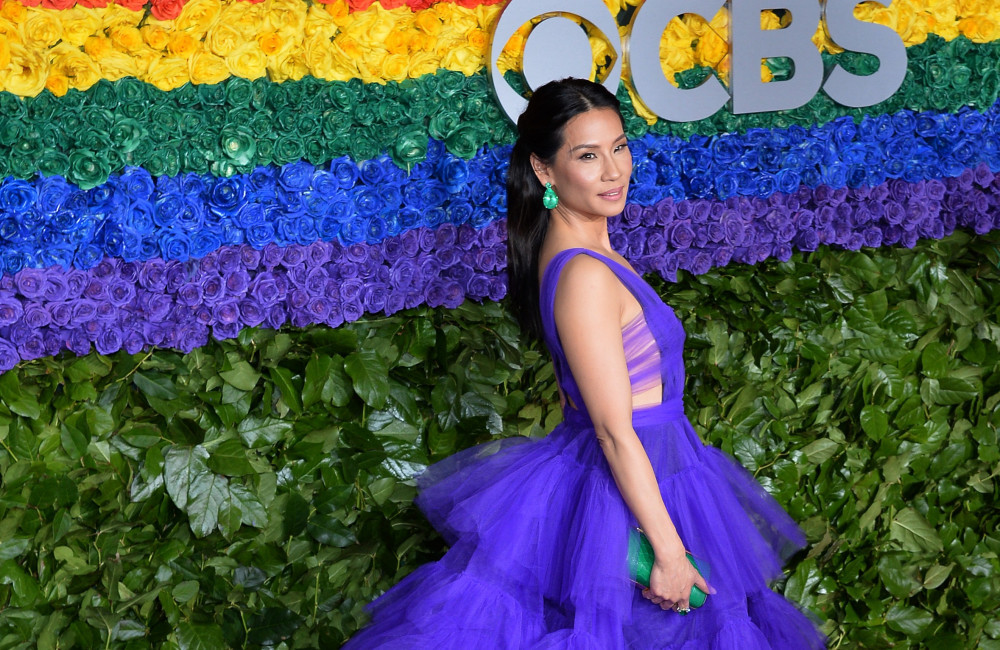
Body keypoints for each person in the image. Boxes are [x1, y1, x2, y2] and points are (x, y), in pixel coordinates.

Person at [343, 78, 826, 649]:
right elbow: (613, 431)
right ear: (544, 170)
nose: (614, 171)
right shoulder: (584, 274)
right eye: (588, 156)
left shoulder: (584, 255)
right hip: (637, 481)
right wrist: (668, 552)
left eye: (619, 147)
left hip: (649, 473)